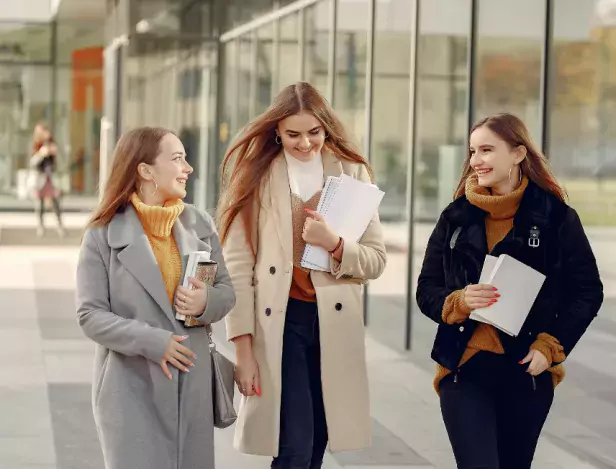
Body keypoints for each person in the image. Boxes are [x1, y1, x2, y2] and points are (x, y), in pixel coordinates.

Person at [416, 113, 604, 469]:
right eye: (473, 151)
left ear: (518, 153)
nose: (476, 161)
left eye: (487, 150)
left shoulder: (557, 219)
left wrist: (550, 346)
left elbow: (587, 291)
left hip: (526, 372)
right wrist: (458, 301)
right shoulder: (455, 218)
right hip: (464, 370)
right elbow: (426, 290)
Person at [218, 81, 387, 469]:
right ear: (276, 130)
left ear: (326, 128)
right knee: (293, 445)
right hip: (280, 323)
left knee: (316, 445)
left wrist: (335, 244)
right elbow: (238, 267)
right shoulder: (257, 175)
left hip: (333, 324)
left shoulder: (352, 173)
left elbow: (376, 260)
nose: (305, 143)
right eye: (293, 134)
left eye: (314, 132)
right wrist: (243, 350)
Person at [75, 127, 236, 469]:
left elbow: (226, 293)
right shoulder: (102, 234)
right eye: (178, 159)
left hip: (191, 389)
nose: (188, 168)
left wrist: (205, 302)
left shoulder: (200, 224)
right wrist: (152, 341)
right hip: (131, 388)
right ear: (146, 170)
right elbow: (90, 315)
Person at [29, 123, 64, 237]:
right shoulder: (35, 145)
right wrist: (41, 154)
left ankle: (59, 225)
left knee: (55, 202)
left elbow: (60, 163)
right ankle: (41, 226)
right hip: (40, 178)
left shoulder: (52, 144)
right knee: (39, 204)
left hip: (51, 178)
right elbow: (31, 163)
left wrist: (55, 153)